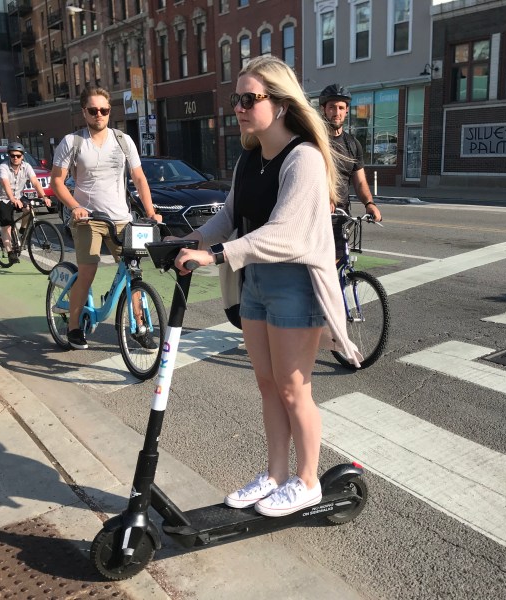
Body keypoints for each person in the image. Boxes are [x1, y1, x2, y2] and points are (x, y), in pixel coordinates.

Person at [173, 56, 362, 518]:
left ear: (279, 104)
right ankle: (276, 475)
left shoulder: (305, 157)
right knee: (267, 384)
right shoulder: (251, 157)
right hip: (254, 280)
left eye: (248, 98)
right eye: (236, 99)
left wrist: (214, 256)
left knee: (295, 388)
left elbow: (286, 234)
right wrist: (189, 240)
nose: (238, 107)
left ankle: (308, 480)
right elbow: (230, 216)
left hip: (295, 282)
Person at [50, 86, 160, 350]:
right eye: (93, 110)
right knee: (88, 271)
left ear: (110, 111)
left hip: (121, 219)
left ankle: (140, 326)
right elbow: (57, 181)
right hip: (87, 218)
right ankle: (74, 326)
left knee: (133, 272)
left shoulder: (123, 140)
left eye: (104, 110)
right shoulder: (72, 142)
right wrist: (75, 206)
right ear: (84, 112)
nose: (99, 114)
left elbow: (139, 178)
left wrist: (150, 211)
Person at [319, 84, 382, 222]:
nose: (337, 112)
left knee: (344, 244)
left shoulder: (353, 144)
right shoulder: (314, 141)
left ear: (347, 110)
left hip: (342, 216)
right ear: (323, 109)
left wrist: (369, 203)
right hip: (317, 216)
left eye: (341, 108)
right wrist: (323, 198)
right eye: (332, 107)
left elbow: (359, 182)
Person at [0, 142, 50, 264]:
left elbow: (35, 182)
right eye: (13, 155)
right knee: (7, 225)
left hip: (18, 196)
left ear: (22, 156)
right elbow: (5, 184)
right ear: (9, 155)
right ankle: (10, 253)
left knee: (29, 209)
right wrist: (13, 199)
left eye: (18, 156)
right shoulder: (3, 167)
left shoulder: (27, 166)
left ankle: (23, 229)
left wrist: (44, 196)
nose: (15, 158)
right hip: (2, 198)